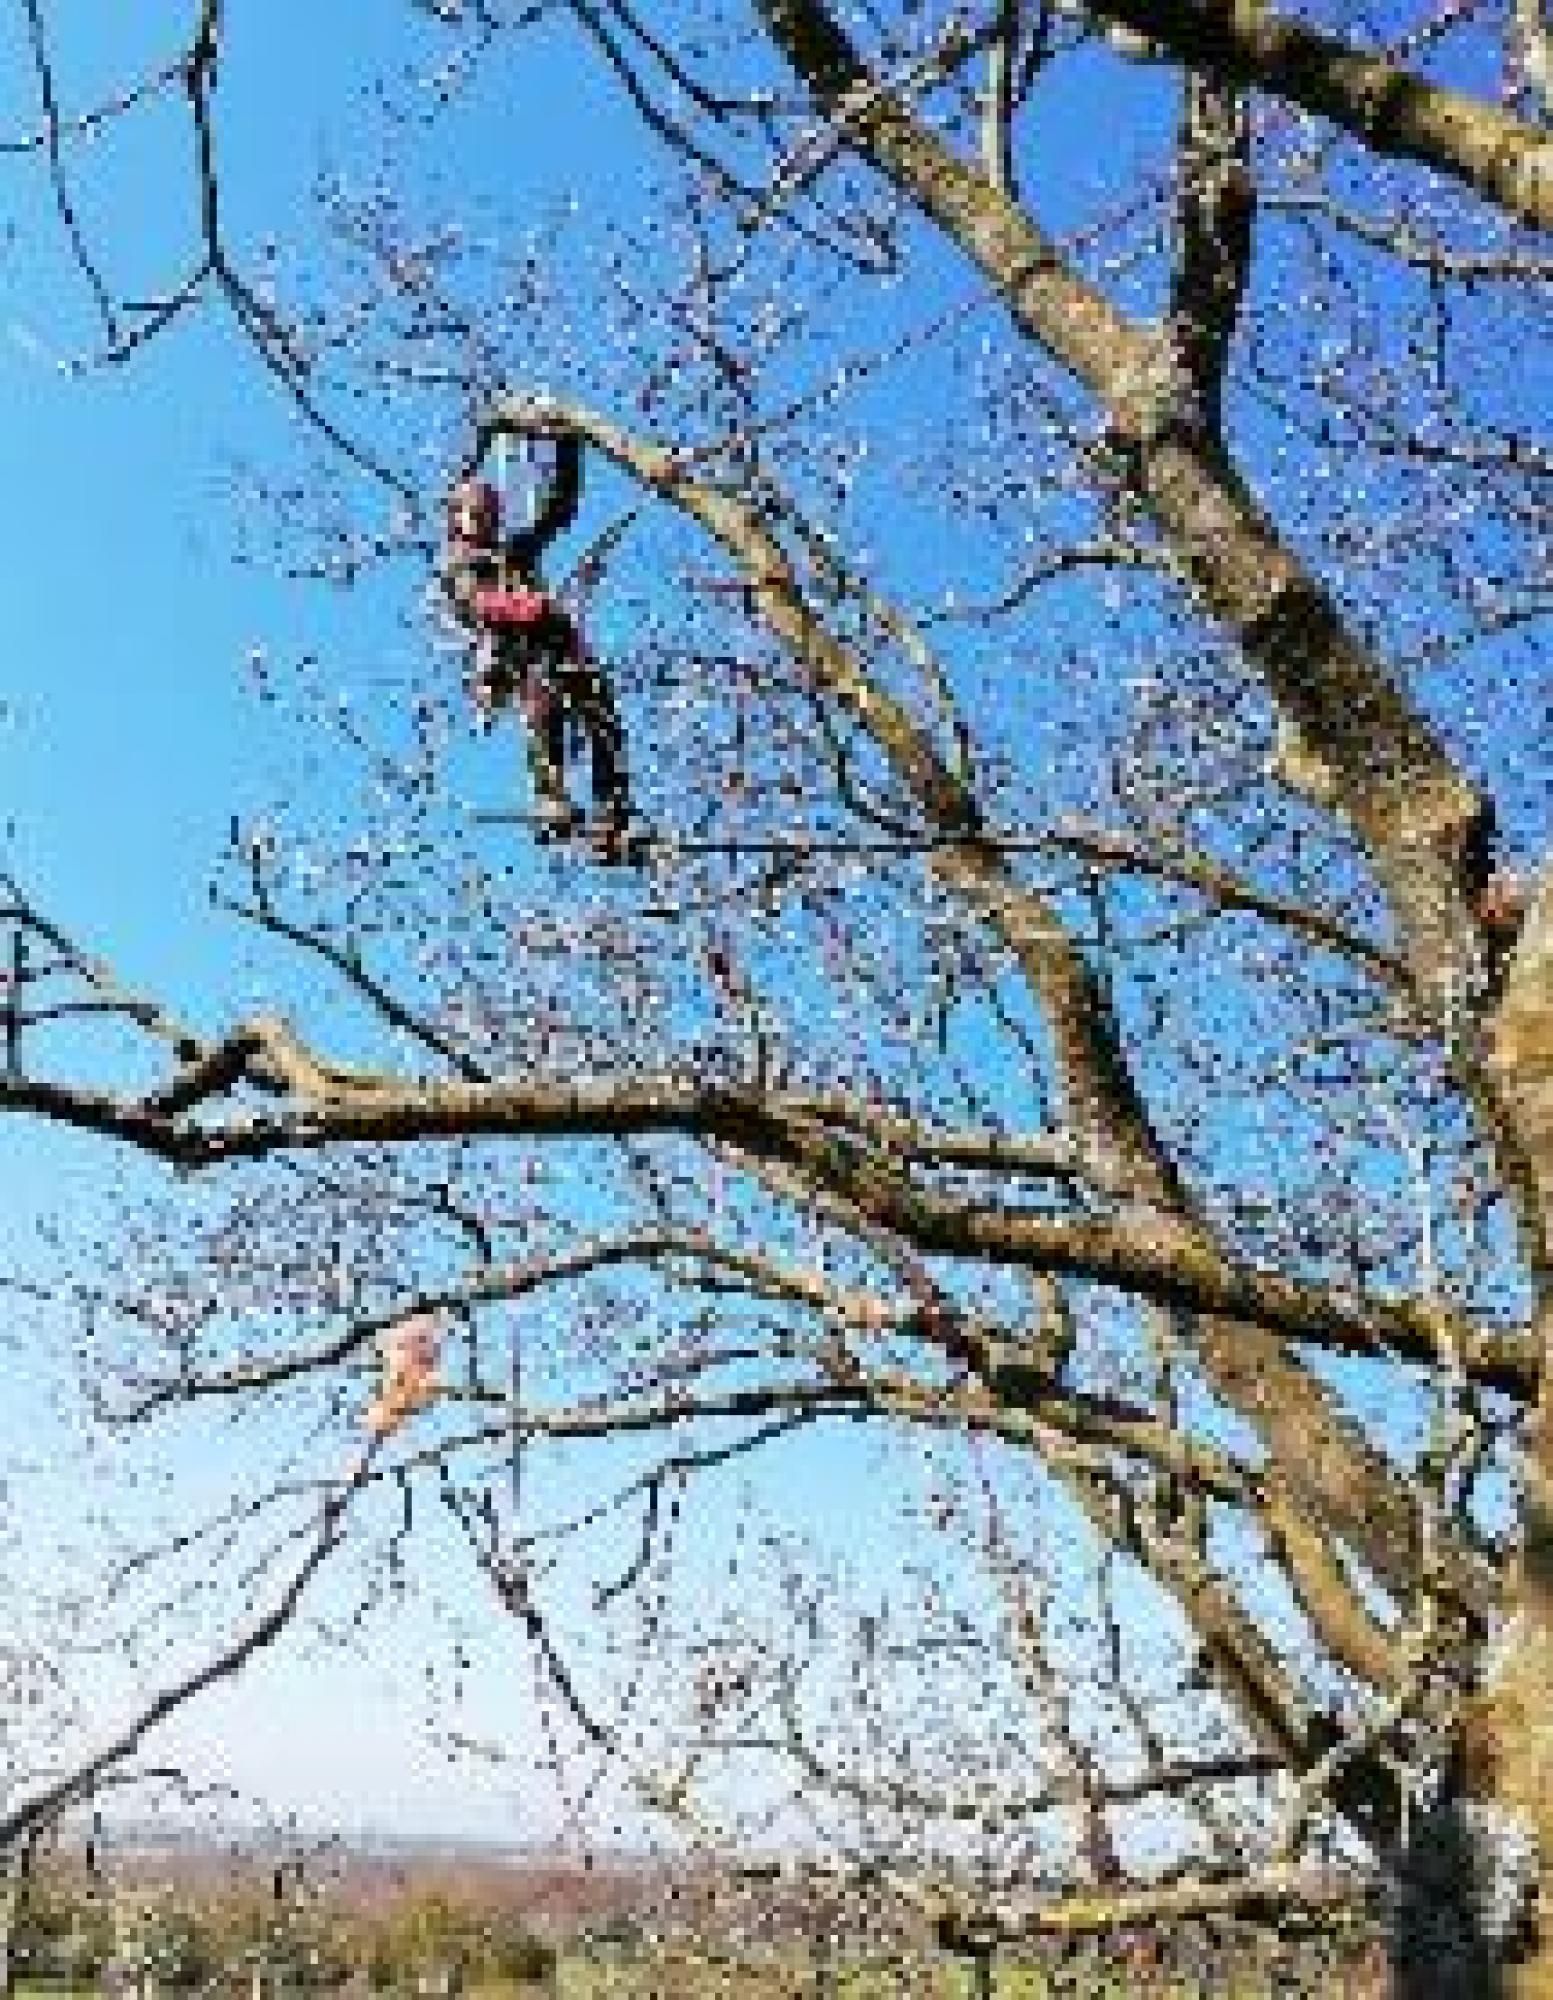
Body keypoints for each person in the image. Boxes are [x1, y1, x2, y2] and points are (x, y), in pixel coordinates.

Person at [443, 436, 632, 856]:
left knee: (600, 712)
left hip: (560, 647)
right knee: (543, 708)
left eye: (489, 512)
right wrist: (532, 608)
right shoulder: (461, 566)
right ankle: (552, 796)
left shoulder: (515, 552)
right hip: (519, 655)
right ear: (459, 520)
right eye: (476, 513)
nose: (484, 520)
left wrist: (568, 443)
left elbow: (558, 510)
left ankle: (613, 811)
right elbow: (479, 605)